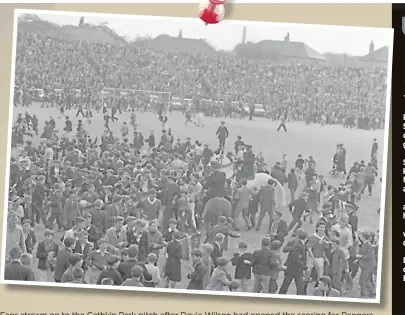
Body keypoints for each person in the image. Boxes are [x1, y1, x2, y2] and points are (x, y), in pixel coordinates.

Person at [278, 229, 308, 295]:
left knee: (299, 285)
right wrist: (292, 249)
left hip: (297, 268)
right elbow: (284, 249)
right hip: (292, 267)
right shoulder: (293, 242)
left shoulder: (303, 243)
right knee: (286, 284)